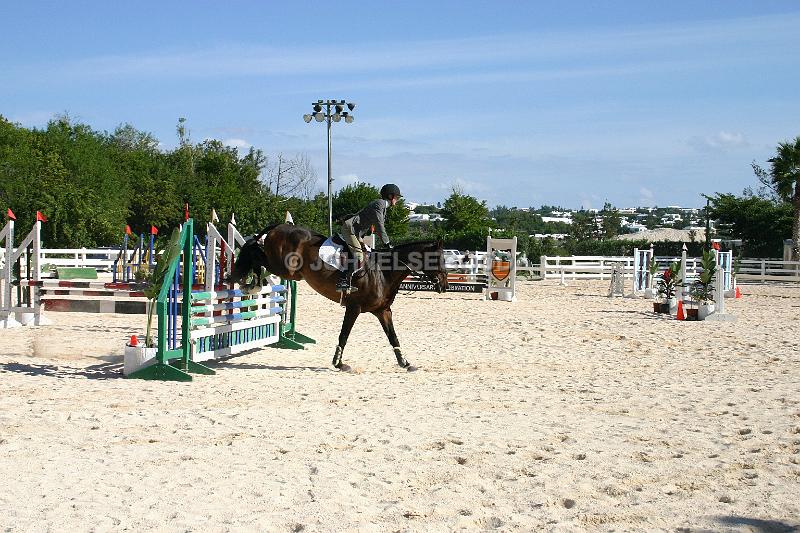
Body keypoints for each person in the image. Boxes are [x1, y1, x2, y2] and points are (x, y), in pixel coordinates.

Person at [337, 183, 401, 292]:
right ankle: (343, 281)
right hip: (350, 229)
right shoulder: (379, 204)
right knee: (358, 256)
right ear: (390, 196)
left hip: (357, 232)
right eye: (397, 197)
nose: (398, 199)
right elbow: (379, 225)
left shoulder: (382, 206)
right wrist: (387, 243)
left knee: (366, 252)